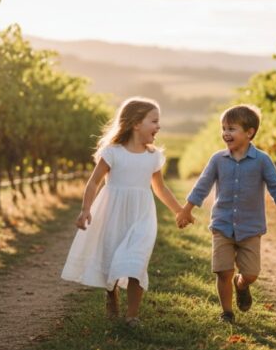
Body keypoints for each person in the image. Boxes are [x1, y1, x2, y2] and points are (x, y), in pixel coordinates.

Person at [61, 97, 188, 327]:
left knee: (136, 262)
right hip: (113, 212)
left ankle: (132, 315)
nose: (158, 127)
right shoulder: (113, 152)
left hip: (142, 215)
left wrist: (179, 210)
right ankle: (111, 295)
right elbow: (94, 182)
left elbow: (160, 188)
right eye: (154, 121)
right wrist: (86, 209)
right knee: (111, 259)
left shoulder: (153, 157)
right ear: (136, 123)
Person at [176, 104, 276, 324]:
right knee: (222, 271)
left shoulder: (262, 160)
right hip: (222, 225)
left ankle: (242, 284)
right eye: (224, 128)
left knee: (251, 274)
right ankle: (227, 313)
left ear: (249, 132)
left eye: (232, 128)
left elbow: (275, 184)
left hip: (250, 228)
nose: (226, 133)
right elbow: (203, 185)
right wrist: (186, 210)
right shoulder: (218, 159)